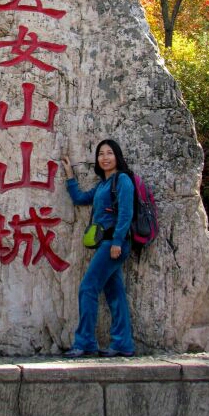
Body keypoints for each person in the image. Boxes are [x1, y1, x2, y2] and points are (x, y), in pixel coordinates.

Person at [61, 139, 136, 358]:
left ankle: (85, 342)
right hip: (106, 244)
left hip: (114, 243)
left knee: (88, 288)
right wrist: (69, 175)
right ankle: (123, 344)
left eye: (109, 153)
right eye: (101, 154)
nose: (105, 157)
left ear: (117, 156)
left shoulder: (122, 180)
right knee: (115, 293)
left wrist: (117, 242)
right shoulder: (104, 184)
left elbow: (126, 213)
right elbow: (79, 198)